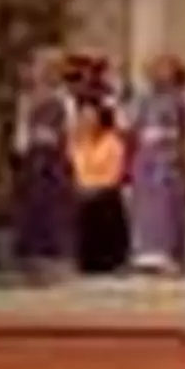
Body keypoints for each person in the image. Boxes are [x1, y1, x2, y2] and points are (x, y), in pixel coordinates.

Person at [12, 46, 77, 285]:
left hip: (55, 157)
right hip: (33, 157)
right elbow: (21, 129)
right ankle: (31, 260)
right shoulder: (27, 99)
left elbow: (71, 130)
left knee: (55, 208)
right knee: (31, 207)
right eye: (43, 68)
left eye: (53, 69)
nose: (47, 73)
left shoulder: (65, 99)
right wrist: (21, 152)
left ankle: (56, 260)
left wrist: (69, 156)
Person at [129, 54, 185, 275]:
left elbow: (183, 131)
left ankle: (168, 254)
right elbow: (133, 126)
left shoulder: (179, 100)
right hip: (146, 157)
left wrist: (180, 154)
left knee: (168, 206)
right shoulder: (143, 99)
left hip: (168, 156)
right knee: (145, 206)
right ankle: (145, 253)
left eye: (166, 70)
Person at [70, 97, 129, 274]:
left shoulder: (112, 142)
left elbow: (114, 174)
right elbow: (78, 170)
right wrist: (84, 187)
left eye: (91, 118)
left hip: (105, 191)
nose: (87, 122)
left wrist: (93, 188)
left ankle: (110, 259)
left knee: (103, 203)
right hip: (85, 190)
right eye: (83, 118)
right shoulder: (79, 143)